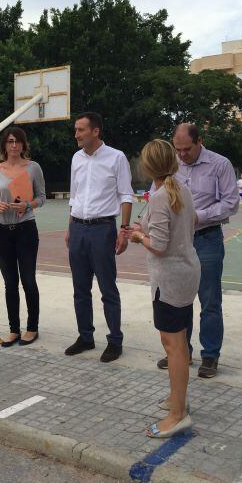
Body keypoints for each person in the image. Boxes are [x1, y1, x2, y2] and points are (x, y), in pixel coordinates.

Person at [125, 139, 199, 438]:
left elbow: (158, 245)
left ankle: (178, 414)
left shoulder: (159, 197)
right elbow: (187, 225)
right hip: (185, 273)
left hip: (169, 279)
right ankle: (177, 399)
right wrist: (146, 231)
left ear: (148, 166)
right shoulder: (181, 190)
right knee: (178, 340)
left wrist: (138, 238)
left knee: (174, 346)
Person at [166, 123, 238, 378]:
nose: (182, 155)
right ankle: (180, 351)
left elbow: (231, 203)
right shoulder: (172, 164)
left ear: (200, 142)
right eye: (178, 149)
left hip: (206, 238)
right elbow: (160, 193)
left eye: (187, 150)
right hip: (178, 240)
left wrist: (199, 216)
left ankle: (210, 355)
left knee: (209, 300)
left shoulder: (220, 164)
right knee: (177, 299)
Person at [64, 112, 133, 363]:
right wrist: (70, 226)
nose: (76, 134)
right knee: (80, 289)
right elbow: (75, 195)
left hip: (103, 229)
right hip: (79, 228)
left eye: (81, 130)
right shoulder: (76, 158)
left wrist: (124, 230)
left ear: (95, 131)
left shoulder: (116, 157)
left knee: (107, 288)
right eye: (75, 129)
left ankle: (115, 340)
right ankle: (86, 337)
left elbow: (126, 195)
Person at [0, 128, 46, 347]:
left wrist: (27, 205)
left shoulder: (33, 168)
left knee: (28, 280)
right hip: (2, 231)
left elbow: (41, 197)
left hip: (26, 230)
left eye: (18, 142)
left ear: (23, 145)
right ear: (4, 145)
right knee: (9, 283)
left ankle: (32, 328)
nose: (14, 146)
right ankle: (14, 329)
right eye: (10, 142)